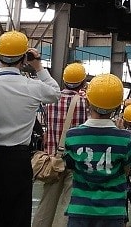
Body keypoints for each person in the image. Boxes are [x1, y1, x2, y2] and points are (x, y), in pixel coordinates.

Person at [0, 30, 61, 227]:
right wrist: (38, 65)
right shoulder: (33, 87)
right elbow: (55, 92)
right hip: (17, 162)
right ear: (24, 58)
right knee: (15, 218)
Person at [63, 73, 131, 227]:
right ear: (117, 106)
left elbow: (69, 165)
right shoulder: (124, 139)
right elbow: (128, 167)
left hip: (80, 208)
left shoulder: (72, 136)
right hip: (113, 210)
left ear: (88, 101)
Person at [33, 62, 89, 227]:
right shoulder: (86, 102)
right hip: (76, 160)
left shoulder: (51, 99)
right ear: (83, 82)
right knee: (68, 205)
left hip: (53, 159)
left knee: (46, 204)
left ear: (64, 80)